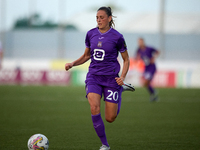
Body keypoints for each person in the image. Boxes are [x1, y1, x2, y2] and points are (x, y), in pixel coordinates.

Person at [65, 6, 134, 150]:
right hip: (94, 77)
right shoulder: (90, 34)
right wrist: (73, 63)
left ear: (109, 18)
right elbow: (86, 55)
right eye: (97, 17)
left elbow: (126, 59)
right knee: (94, 107)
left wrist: (122, 77)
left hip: (111, 79)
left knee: (110, 118)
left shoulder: (118, 37)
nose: (99, 20)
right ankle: (105, 145)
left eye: (102, 17)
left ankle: (120, 90)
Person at [135, 38, 160, 102]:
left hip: (152, 67)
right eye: (138, 42)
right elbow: (136, 57)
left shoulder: (149, 48)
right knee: (145, 84)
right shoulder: (139, 50)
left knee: (146, 82)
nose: (139, 43)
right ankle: (154, 94)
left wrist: (154, 58)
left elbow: (158, 51)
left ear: (143, 42)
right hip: (146, 68)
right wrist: (137, 59)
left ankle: (154, 92)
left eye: (140, 42)